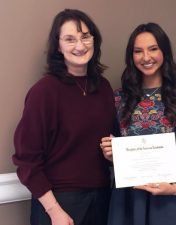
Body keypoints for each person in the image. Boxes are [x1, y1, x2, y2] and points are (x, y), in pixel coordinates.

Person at [12, 9, 116, 225]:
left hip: (102, 198)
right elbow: (26, 161)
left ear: (94, 40)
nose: (80, 45)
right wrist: (54, 211)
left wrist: (114, 151)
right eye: (70, 39)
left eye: (85, 36)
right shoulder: (44, 92)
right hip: (58, 202)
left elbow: (109, 140)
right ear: (57, 46)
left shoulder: (103, 87)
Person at [100, 22, 176, 225]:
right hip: (129, 202)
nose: (146, 57)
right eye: (138, 51)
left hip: (173, 201)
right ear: (131, 57)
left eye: (153, 49)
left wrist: (174, 187)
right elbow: (117, 152)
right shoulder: (119, 99)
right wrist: (111, 154)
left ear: (164, 52)